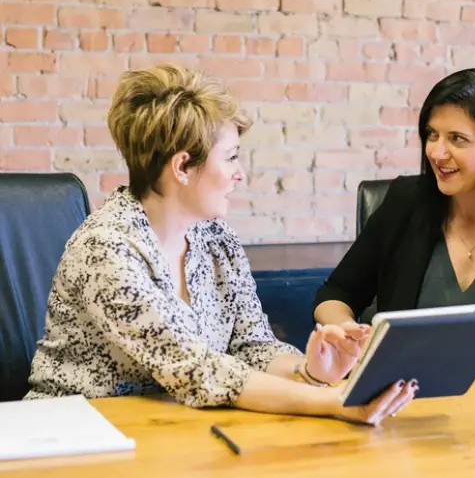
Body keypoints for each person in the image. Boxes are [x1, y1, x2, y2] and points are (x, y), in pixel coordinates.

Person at [26, 65, 416, 425]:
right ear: (181, 167)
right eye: (230, 158)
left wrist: (311, 372)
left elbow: (252, 346)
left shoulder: (216, 239)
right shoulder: (106, 249)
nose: (239, 174)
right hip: (72, 435)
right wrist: (334, 402)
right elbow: (196, 369)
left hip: (173, 430)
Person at [314, 68, 475, 376]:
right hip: (400, 401)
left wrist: (427, 355)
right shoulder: (406, 201)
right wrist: (346, 332)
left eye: (457, 139)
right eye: (432, 134)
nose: (436, 152)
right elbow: (335, 293)